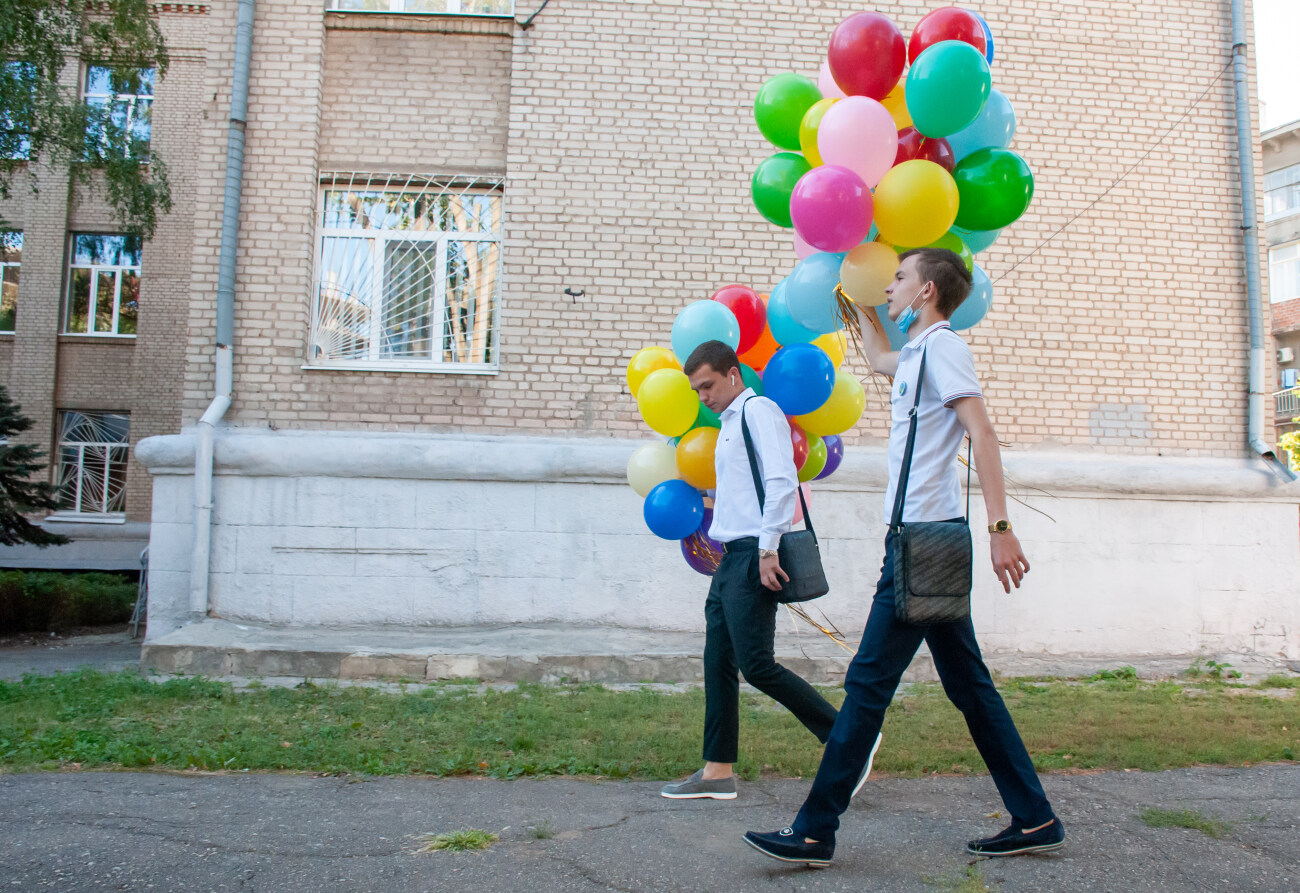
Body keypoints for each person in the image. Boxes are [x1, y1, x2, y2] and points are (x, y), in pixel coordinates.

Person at [743, 248, 1063, 866]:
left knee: (866, 685)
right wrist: (858, 303)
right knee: (969, 686)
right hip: (914, 539)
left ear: (927, 292)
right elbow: (881, 358)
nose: (890, 285)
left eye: (897, 279)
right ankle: (1034, 816)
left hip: (925, 543)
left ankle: (815, 828)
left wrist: (1001, 527)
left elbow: (984, 434)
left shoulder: (945, 348)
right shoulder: (917, 354)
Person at [659, 339, 845, 801]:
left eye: (708, 386)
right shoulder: (729, 423)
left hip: (753, 558)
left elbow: (783, 478)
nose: (703, 397)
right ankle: (717, 772)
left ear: (733, 375)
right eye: (696, 390)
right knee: (718, 663)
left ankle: (847, 739)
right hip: (732, 558)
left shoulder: (758, 410)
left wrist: (766, 551)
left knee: (757, 666)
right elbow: (746, 492)